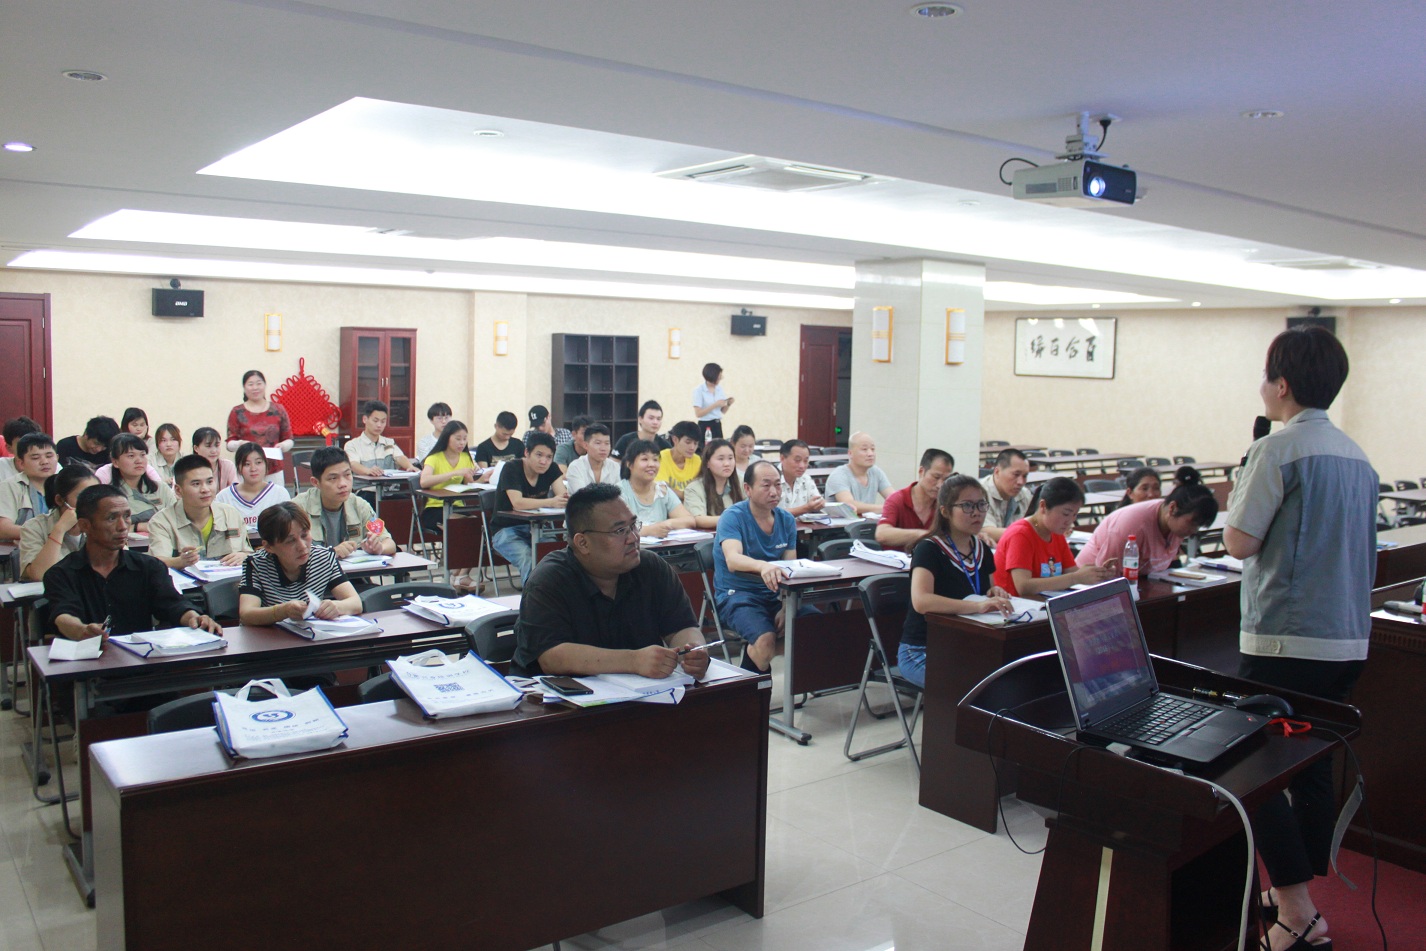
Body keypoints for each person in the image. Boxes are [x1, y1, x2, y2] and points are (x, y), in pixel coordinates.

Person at [1224, 326, 1377, 951]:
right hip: (1346, 641)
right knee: (1309, 767)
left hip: (1286, 642)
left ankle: (1298, 910)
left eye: (1266, 376)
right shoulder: (1357, 456)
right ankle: (1298, 890)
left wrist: (1243, 478)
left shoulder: (1277, 450)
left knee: (1248, 769)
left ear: (1281, 384)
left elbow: (1239, 542)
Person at [511, 483, 710, 678]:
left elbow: (682, 626)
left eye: (633, 525)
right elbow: (552, 657)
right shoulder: (549, 579)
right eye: (619, 531)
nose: (633, 538)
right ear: (583, 543)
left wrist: (694, 652)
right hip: (559, 695)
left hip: (642, 692)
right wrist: (633, 661)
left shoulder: (651, 567)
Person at [44, 484, 221, 641]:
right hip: (87, 659)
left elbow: (173, 604)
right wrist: (82, 631)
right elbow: (63, 615)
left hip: (139, 658)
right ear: (85, 525)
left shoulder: (148, 567)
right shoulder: (62, 573)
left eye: (127, 516)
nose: (123, 526)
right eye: (111, 518)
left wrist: (194, 618)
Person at [899, 476, 1015, 687]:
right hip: (922, 649)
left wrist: (994, 592)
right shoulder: (929, 549)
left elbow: (987, 590)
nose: (977, 512)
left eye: (981, 505)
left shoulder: (982, 548)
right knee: (971, 688)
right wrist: (978, 606)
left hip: (966, 645)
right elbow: (921, 601)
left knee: (1008, 680)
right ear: (945, 511)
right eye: (967, 506)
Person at [714, 460, 802, 672]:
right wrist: (763, 566)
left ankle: (752, 662)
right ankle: (753, 682)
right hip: (737, 594)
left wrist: (786, 606)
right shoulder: (732, 517)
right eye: (766, 485)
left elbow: (790, 568)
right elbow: (733, 560)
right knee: (765, 641)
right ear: (748, 489)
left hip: (775, 595)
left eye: (778, 485)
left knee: (815, 627)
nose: (774, 492)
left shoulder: (786, 520)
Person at [237, 502, 363, 625]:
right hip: (270, 635)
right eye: (290, 541)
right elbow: (247, 614)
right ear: (269, 546)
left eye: (304, 535)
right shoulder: (256, 564)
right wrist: (282, 611)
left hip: (311, 632)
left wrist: (337, 606)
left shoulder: (324, 557)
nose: (302, 546)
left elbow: (356, 603)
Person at [993, 477, 1115, 597]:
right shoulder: (1020, 535)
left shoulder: (1055, 533)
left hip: (1045, 601)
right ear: (1043, 506)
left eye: (1075, 515)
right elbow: (1023, 587)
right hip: (1017, 605)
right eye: (1066, 514)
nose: (1070, 521)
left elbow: (1071, 571)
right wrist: (1075, 578)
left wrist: (1098, 574)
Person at [1077, 474, 1219, 574]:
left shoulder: (1174, 524)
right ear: (1172, 508)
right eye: (1192, 523)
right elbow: (1107, 576)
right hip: (1090, 584)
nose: (1194, 530)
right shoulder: (1131, 524)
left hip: (1140, 582)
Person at [147, 453, 254, 569]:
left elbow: (248, 552)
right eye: (196, 484)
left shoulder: (230, 514)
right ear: (178, 490)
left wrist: (244, 556)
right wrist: (180, 561)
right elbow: (157, 563)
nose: (205, 489)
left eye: (209, 482)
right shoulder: (161, 521)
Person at [492, 431, 568, 585]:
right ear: (527, 452)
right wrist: (550, 502)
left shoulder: (552, 469)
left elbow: (563, 498)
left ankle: (553, 593)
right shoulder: (511, 468)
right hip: (505, 530)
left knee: (554, 555)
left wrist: (561, 500)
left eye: (549, 457)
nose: (543, 461)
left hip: (538, 528)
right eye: (539, 455)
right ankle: (533, 595)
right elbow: (517, 503)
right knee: (527, 556)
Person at [294, 447, 397, 556]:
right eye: (333, 478)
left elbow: (389, 543)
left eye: (347, 475)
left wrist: (379, 548)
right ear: (315, 482)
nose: (343, 484)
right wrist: (331, 554)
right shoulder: (298, 509)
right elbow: (288, 552)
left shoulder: (360, 506)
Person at [20, 465, 99, 581]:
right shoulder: (34, 527)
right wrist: (59, 530)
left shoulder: (102, 524)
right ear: (60, 500)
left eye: (96, 496)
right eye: (82, 496)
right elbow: (40, 575)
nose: (91, 503)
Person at [226, 369, 294, 486]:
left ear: (265, 385)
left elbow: (289, 440)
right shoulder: (237, 412)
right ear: (244, 388)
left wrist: (282, 446)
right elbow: (229, 444)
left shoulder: (278, 410)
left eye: (259, 383)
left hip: (273, 468)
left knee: (275, 497)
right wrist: (240, 444)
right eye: (250, 384)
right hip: (247, 469)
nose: (255, 388)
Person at [876, 449, 954, 551]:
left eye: (946, 480)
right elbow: (881, 534)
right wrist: (926, 535)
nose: (940, 485)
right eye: (936, 477)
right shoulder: (897, 499)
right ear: (921, 472)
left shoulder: (944, 504)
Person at [619, 439, 696, 537]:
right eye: (644, 459)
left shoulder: (662, 490)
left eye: (655, 460)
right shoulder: (619, 492)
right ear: (629, 464)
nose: (652, 464)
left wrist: (666, 524)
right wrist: (649, 530)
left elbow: (689, 520)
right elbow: (619, 529)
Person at [418, 419, 482, 533]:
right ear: (447, 438)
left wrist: (481, 479)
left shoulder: (466, 457)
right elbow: (424, 481)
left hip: (457, 507)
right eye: (458, 439)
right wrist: (454, 473)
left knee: (474, 522)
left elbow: (468, 485)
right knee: (456, 523)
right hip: (435, 508)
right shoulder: (434, 458)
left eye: (465, 439)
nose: (462, 443)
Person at [215, 442, 292, 533]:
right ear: (238, 468)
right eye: (247, 464)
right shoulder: (224, 497)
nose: (253, 469)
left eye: (258, 462)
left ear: (266, 464)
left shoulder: (280, 494)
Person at [106, 433, 176, 526]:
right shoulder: (109, 497)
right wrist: (137, 527)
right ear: (115, 462)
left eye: (142, 455)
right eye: (131, 456)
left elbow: (178, 519)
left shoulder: (160, 488)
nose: (139, 461)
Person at [0, 432, 58, 541]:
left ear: (57, 457)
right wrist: (47, 533)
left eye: (49, 456)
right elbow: (3, 528)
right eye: (35, 458)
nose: (44, 462)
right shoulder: (10, 487)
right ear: (21, 463)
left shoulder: (66, 485)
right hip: (20, 549)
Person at [824, 431, 892, 515]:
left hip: (867, 521)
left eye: (872, 449)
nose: (870, 454)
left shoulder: (876, 472)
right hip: (842, 523)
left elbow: (894, 498)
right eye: (864, 449)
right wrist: (886, 508)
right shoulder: (839, 475)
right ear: (850, 453)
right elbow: (849, 505)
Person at [345, 399, 417, 477]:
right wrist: (368, 471)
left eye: (383, 421)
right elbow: (353, 464)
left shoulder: (389, 443)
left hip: (389, 484)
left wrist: (410, 466)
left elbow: (399, 457)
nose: (379, 425)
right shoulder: (352, 445)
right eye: (375, 421)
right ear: (365, 419)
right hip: (365, 484)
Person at [684, 438, 744, 529]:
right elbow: (699, 520)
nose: (727, 464)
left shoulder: (741, 482)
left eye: (730, 458)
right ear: (707, 463)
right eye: (720, 459)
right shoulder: (694, 488)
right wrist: (735, 518)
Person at [979, 448, 1033, 543]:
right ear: (997, 472)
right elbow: (986, 531)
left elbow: (1036, 523)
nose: (1021, 482)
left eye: (1025, 476)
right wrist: (1025, 532)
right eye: (1016, 474)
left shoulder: (1024, 494)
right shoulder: (979, 493)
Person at [563, 422, 619, 493]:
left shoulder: (615, 467)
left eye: (607, 443)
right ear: (586, 445)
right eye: (598, 443)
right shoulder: (575, 467)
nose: (603, 448)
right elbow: (582, 496)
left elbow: (620, 495)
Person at [655, 421, 703, 499]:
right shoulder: (661, 457)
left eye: (695, 443)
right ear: (675, 440)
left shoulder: (697, 460)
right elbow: (662, 489)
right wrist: (687, 495)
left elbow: (699, 490)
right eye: (688, 442)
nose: (692, 447)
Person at [776, 439, 824, 516]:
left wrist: (819, 504)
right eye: (797, 460)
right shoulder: (771, 480)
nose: (802, 466)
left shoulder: (806, 479)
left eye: (805, 461)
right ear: (782, 458)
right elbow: (772, 513)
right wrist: (806, 508)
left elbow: (817, 502)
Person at [692, 362, 733, 440]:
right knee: (706, 446)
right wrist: (715, 405)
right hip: (705, 425)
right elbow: (698, 414)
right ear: (712, 375)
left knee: (719, 446)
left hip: (717, 424)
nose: (720, 378)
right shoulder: (699, 390)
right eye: (719, 376)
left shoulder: (719, 389)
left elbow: (723, 411)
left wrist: (728, 404)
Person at [0, 416, 41, 482]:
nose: (29, 447)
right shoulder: (2, 467)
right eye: (22, 443)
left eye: (32, 442)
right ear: (9, 448)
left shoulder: (50, 465)